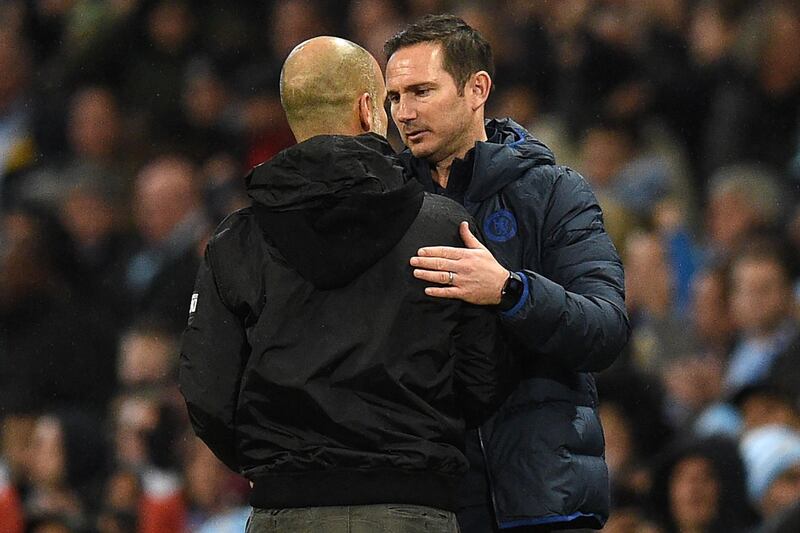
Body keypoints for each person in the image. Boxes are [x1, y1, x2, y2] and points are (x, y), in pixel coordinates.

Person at [179, 36, 508, 533]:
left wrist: (282, 465)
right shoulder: (442, 227)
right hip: (411, 508)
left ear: (294, 116)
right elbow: (483, 377)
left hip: (285, 511)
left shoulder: (236, 241)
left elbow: (207, 392)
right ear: (366, 108)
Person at [384, 14, 630, 531]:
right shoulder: (386, 205)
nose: (403, 113)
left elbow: (605, 329)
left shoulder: (556, 192)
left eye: (422, 91)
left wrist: (509, 291)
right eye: (394, 96)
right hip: (432, 505)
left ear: (477, 89)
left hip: (546, 501)